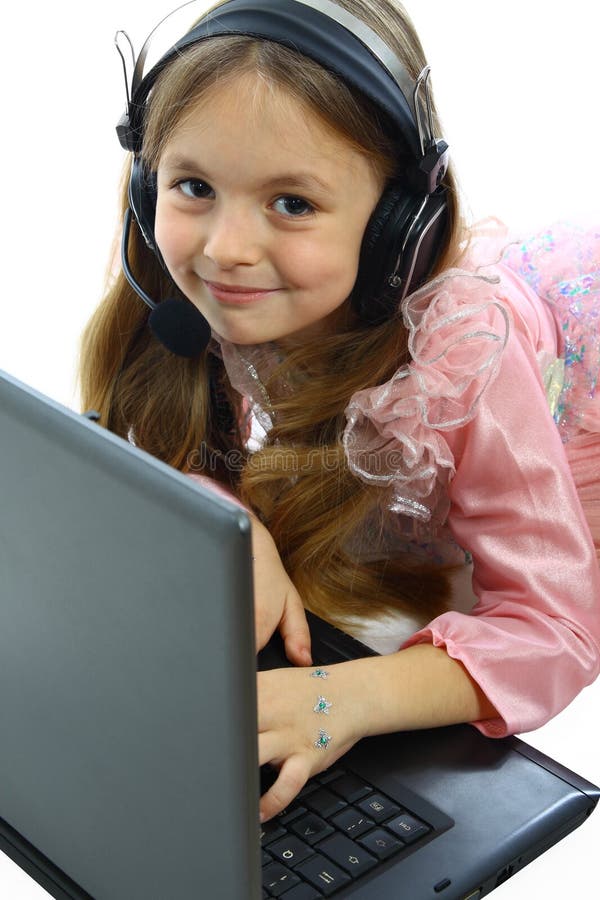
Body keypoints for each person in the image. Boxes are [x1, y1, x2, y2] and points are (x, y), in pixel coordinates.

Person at [79, 0, 600, 823]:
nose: (226, 249)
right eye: (193, 186)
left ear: (400, 226)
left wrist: (345, 697)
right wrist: (227, 522)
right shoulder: (196, 291)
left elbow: (558, 627)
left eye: (292, 203)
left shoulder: (465, 362)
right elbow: (145, 441)